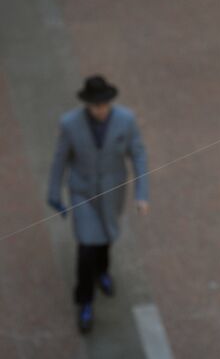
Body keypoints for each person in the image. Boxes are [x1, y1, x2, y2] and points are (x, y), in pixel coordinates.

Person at [47, 75, 149, 333]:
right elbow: (61, 159)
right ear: (87, 104)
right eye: (95, 105)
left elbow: (138, 154)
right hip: (83, 193)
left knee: (104, 238)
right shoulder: (70, 124)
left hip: (112, 193)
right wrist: (54, 192)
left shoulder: (126, 120)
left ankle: (103, 271)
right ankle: (85, 300)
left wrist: (142, 193)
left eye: (104, 104)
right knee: (86, 248)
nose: (100, 110)